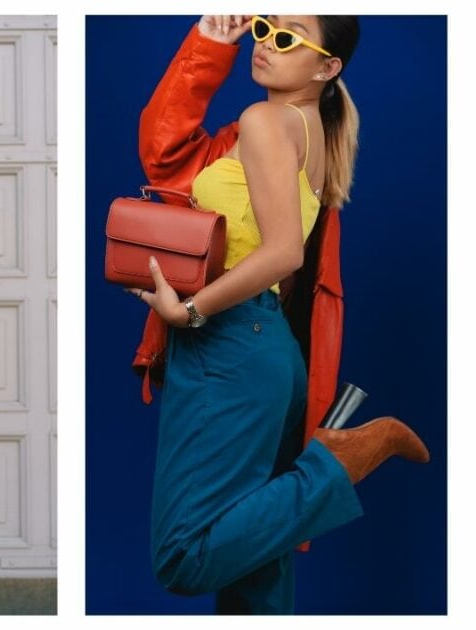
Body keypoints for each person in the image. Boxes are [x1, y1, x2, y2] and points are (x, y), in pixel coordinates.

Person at [125, 16, 430, 613]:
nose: (265, 42)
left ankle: (341, 462)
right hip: (263, 348)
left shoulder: (266, 122)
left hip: (228, 344)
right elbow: (168, 152)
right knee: (255, 576)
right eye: (266, 27)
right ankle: (335, 464)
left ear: (326, 67)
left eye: (288, 37)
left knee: (184, 555)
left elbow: (283, 253)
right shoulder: (309, 130)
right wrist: (213, 40)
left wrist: (188, 312)